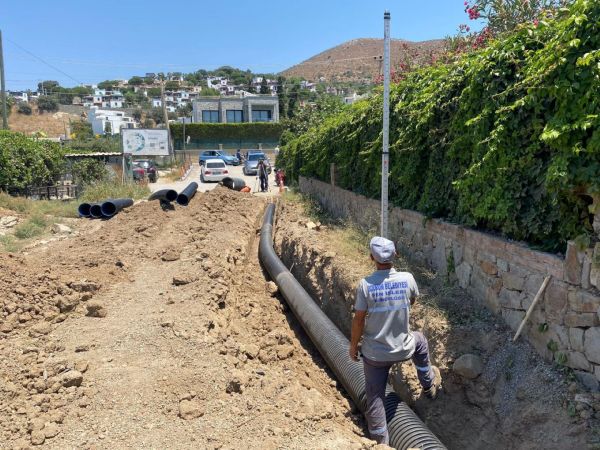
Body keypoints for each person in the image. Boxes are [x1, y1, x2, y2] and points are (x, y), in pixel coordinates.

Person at [349, 236, 441, 445]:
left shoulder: (365, 285)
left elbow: (358, 320)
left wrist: (354, 346)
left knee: (375, 397)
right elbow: (412, 301)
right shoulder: (408, 278)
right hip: (404, 348)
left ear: (372, 257)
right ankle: (428, 385)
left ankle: (381, 442)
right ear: (396, 255)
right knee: (420, 340)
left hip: (375, 355)